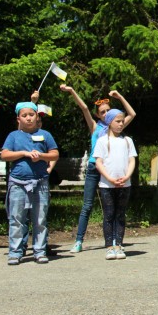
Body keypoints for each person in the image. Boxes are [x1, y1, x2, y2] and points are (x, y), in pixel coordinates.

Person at [61, 85, 135, 254]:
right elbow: (84, 107)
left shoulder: (116, 126)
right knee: (87, 205)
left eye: (108, 111)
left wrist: (120, 96)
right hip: (95, 168)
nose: (106, 114)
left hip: (109, 172)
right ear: (97, 115)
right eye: (102, 112)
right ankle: (79, 240)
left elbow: (131, 114)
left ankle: (115, 241)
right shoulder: (96, 127)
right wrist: (72, 91)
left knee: (113, 209)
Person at [1, 102, 59, 265]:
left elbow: (54, 154)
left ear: (36, 116)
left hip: (40, 182)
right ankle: (15, 252)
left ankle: (40, 251)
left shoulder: (45, 135)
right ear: (18, 118)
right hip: (18, 183)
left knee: (40, 218)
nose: (28, 118)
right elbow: (5, 154)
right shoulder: (13, 136)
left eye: (31, 115)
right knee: (17, 218)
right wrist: (23, 154)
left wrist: (40, 156)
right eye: (24, 115)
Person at [93, 109, 137, 260]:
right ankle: (109, 247)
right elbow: (99, 162)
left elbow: (132, 160)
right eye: (117, 121)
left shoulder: (127, 140)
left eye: (122, 121)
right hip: (107, 185)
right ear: (109, 122)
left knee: (120, 214)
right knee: (109, 215)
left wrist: (127, 176)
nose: (121, 124)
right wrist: (110, 179)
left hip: (125, 184)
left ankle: (118, 245)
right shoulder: (102, 141)